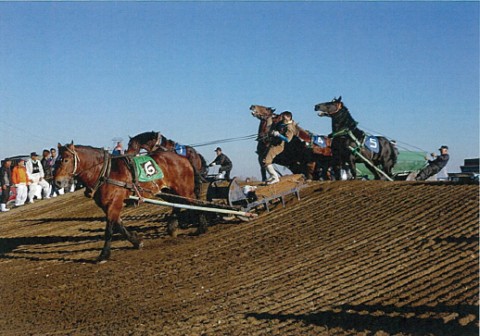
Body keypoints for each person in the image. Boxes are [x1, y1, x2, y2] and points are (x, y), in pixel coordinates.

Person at [263, 111, 298, 184]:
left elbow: (288, 139)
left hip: (278, 146)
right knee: (263, 159)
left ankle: (275, 178)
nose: (282, 118)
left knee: (267, 161)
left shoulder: (289, 127)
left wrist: (278, 135)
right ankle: (272, 176)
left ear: (288, 117)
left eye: (283, 117)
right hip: (273, 143)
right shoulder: (282, 123)